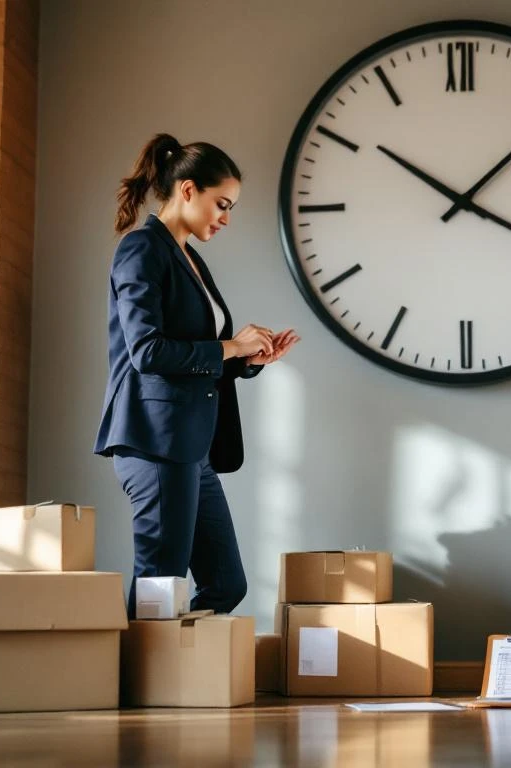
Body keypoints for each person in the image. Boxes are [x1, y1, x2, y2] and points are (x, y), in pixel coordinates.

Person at [93, 133, 299, 617]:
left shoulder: (190, 258)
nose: (226, 218)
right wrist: (231, 345)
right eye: (221, 204)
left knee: (227, 584)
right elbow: (147, 351)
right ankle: (134, 687)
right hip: (156, 441)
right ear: (187, 190)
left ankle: (180, 672)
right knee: (159, 586)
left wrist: (246, 361)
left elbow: (194, 357)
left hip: (192, 447)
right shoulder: (141, 249)